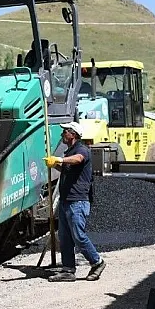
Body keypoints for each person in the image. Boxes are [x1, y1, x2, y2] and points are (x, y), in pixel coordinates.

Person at [43, 121, 106, 282]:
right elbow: (67, 169)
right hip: (66, 201)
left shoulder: (81, 150)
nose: (62, 134)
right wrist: (55, 164)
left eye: (65, 132)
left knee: (78, 236)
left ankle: (97, 262)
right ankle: (68, 269)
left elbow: (78, 160)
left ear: (73, 134)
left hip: (77, 201)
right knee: (64, 237)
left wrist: (60, 160)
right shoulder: (69, 152)